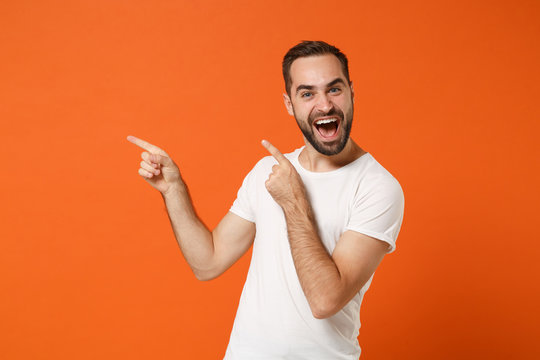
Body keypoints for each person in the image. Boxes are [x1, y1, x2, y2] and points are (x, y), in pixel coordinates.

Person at [127, 40, 404, 359]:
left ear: (352, 92)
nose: (325, 105)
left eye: (334, 89)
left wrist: (293, 202)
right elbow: (209, 263)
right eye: (307, 93)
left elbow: (325, 301)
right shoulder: (267, 172)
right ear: (290, 104)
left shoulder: (378, 187)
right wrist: (173, 189)